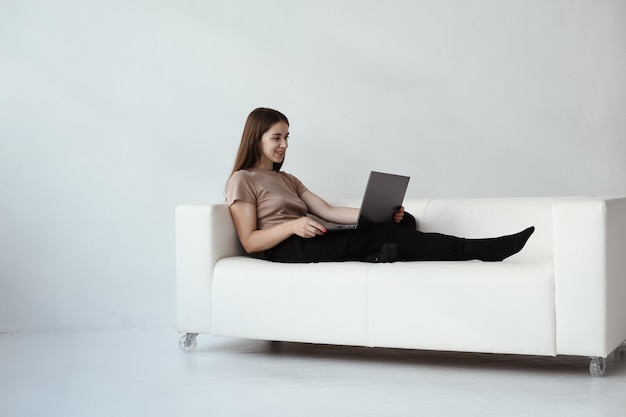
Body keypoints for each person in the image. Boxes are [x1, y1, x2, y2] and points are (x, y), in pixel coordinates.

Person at [226, 107, 535, 263]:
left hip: (309, 236)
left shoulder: (287, 179)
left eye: (287, 137)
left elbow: (327, 210)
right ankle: (480, 249)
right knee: (387, 234)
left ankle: (381, 250)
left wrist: (375, 213)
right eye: (277, 138)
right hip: (285, 248)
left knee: (405, 222)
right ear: (257, 138)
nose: (284, 145)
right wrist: (291, 227)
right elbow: (250, 242)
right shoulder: (243, 180)